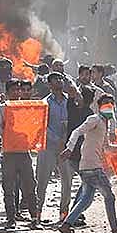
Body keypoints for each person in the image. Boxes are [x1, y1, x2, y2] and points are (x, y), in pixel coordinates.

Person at [56, 94, 117, 233]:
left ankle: (66, 225)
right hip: (93, 167)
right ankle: (116, 231)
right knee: (109, 197)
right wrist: (69, 148)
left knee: (86, 199)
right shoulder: (95, 119)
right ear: (99, 107)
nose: (109, 106)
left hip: (88, 166)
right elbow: (77, 131)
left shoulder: (104, 124)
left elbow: (107, 147)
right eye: (105, 103)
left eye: (111, 103)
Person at [0, 79, 40, 229]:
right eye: (13, 90)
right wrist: (8, 129)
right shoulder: (2, 108)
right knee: (8, 188)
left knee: (30, 186)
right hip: (9, 153)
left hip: (24, 151)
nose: (17, 93)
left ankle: (34, 218)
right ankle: (11, 219)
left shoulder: (26, 107)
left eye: (18, 90)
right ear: (7, 93)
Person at [37, 72, 75, 222]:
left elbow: (73, 121)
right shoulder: (44, 103)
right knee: (42, 181)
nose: (59, 81)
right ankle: (37, 214)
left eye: (60, 78)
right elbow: (42, 125)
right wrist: (56, 139)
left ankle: (64, 215)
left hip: (66, 147)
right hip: (47, 147)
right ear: (49, 84)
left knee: (67, 181)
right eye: (55, 79)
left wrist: (65, 139)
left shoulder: (70, 101)